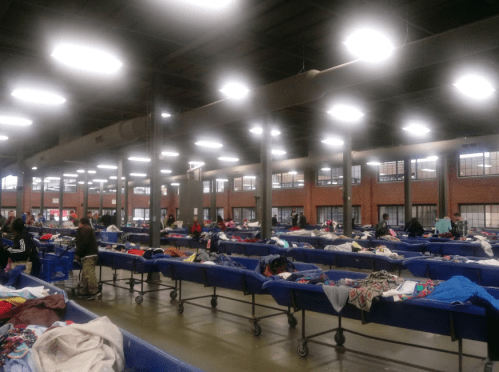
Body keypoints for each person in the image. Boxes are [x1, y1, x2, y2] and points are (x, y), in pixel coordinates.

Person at [75, 217, 100, 299]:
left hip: (89, 255)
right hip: (87, 255)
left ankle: (94, 292)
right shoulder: (86, 229)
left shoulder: (85, 229)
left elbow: (83, 243)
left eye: (79, 223)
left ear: (81, 223)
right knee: (85, 274)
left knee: (89, 274)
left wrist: (78, 254)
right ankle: (85, 291)